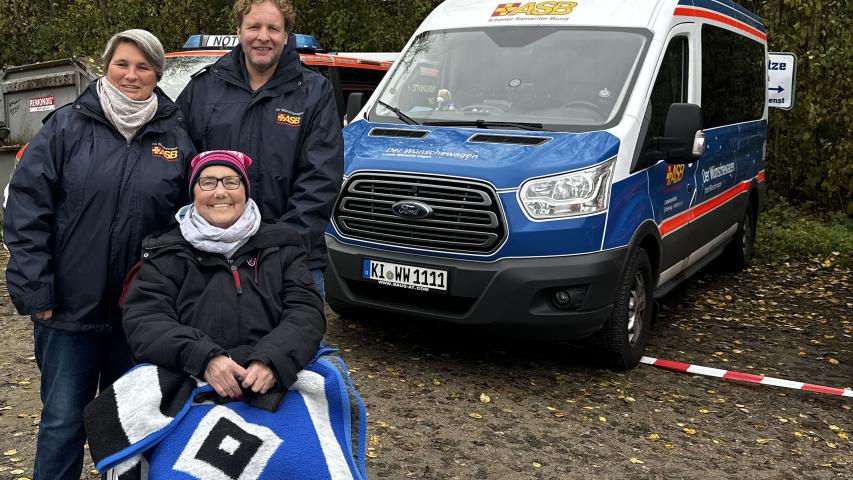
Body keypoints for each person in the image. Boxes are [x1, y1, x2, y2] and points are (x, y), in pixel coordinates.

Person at [3, 29, 195, 480]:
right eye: (121, 64)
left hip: (139, 317)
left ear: (157, 74)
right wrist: (36, 289)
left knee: (130, 427)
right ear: (105, 68)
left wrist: (174, 301)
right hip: (67, 311)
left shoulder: (176, 139)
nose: (131, 75)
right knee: (62, 422)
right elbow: (25, 210)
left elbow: (187, 226)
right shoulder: (66, 127)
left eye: (143, 66)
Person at [122, 150, 325, 399]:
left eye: (231, 182)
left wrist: (273, 358)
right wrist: (204, 358)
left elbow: (306, 311)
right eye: (208, 182)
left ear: (245, 191)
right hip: (188, 386)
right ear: (193, 192)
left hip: (270, 385)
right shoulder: (164, 251)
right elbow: (145, 319)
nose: (220, 192)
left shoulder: (282, 244)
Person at [177, 0, 344, 298]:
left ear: (286, 35)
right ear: (239, 30)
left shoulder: (314, 92)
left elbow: (320, 181)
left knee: (298, 330)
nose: (263, 37)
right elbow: (180, 169)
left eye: (273, 28)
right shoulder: (203, 89)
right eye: (254, 26)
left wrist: (277, 247)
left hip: (292, 261)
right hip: (212, 259)